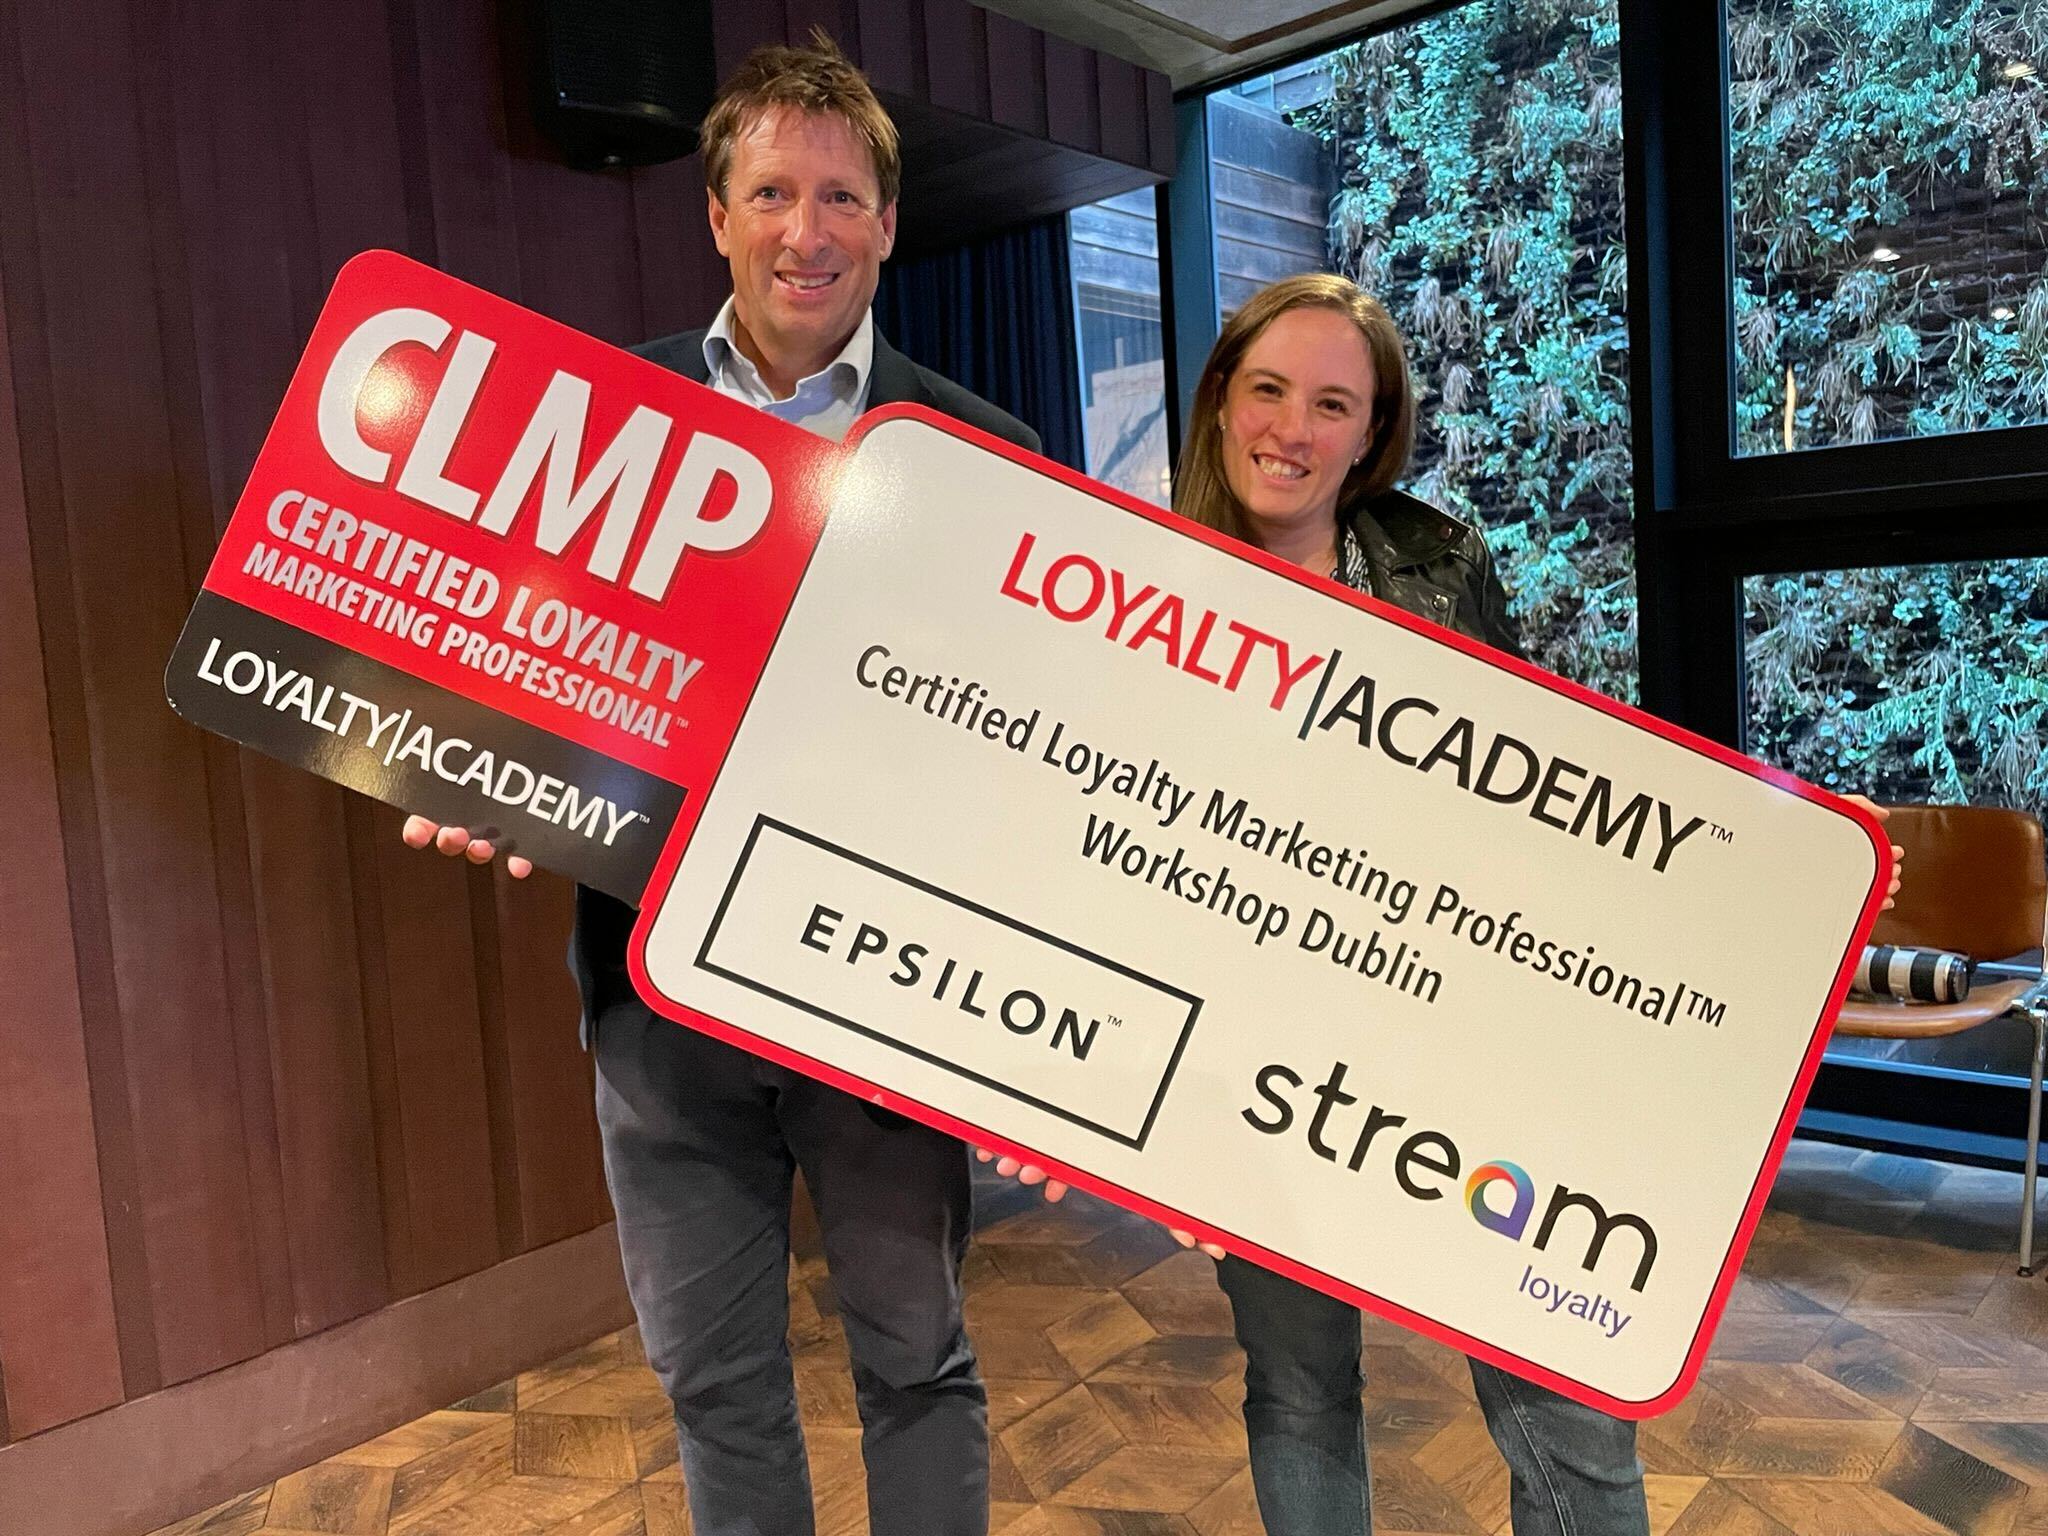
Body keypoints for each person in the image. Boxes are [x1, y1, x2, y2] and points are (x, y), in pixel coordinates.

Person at [985, 269, 1903, 1535]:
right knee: (1298, 1387)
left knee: (1567, 1406)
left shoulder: (1439, 561)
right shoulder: (1134, 586)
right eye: (1267, 390)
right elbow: (1097, 852)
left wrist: (1781, 861)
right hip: (1250, 1067)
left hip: (1464, 1051)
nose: (1289, 430)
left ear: (1371, 432)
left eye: (1330, 404)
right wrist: (1073, 1089)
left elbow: (1550, 798)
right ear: (1218, 399)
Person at [405, 34, 1038, 1536]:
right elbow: (517, 669)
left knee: (916, 1362)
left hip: (880, 1004)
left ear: (888, 221)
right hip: (658, 991)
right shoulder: (593, 420)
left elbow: (1020, 763)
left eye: (839, 196)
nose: (804, 231)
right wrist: (470, 765)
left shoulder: (988, 457)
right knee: (712, 1379)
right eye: (769, 193)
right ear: (716, 216)